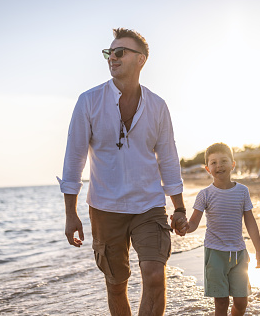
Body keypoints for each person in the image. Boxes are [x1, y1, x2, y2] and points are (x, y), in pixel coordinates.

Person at [57, 28, 189, 316]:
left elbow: (168, 158)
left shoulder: (158, 106)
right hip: (105, 208)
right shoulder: (89, 101)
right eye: (109, 52)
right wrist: (70, 214)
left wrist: (179, 207)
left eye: (120, 52)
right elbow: (74, 160)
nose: (112, 58)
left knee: (155, 276)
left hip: (149, 206)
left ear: (140, 60)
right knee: (116, 283)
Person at [186, 142, 260, 316]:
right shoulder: (204, 195)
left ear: (233, 164)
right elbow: (193, 223)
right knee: (221, 302)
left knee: (241, 302)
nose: (219, 165)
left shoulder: (242, 191)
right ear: (208, 169)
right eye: (213, 162)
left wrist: (259, 252)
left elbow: (250, 222)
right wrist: (183, 227)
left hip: (239, 253)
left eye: (223, 161)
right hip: (215, 254)